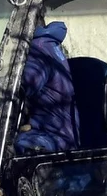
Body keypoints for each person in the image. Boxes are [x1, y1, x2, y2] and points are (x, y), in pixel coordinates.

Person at [16, 20, 79, 154]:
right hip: (61, 132)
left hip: (53, 134)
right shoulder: (48, 45)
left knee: (13, 148)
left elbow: (23, 86)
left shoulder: (38, 48)